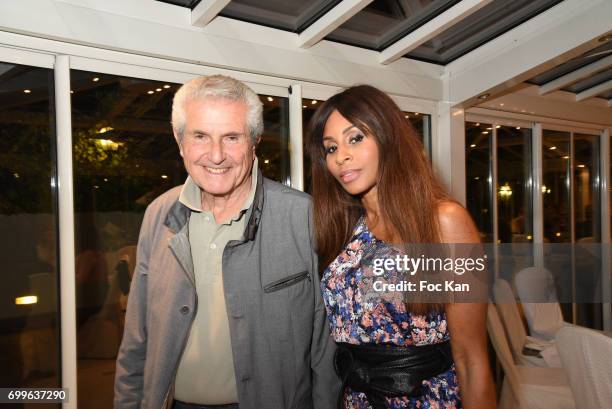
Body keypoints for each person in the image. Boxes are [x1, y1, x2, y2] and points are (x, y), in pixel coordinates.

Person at [114, 75, 340, 409]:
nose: (216, 155)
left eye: (232, 137)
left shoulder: (303, 216)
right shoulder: (159, 213)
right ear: (180, 140)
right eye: (200, 136)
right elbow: (137, 336)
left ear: (254, 141)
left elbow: (325, 346)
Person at [307, 85, 496, 408]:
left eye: (355, 138)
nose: (341, 156)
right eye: (330, 148)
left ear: (388, 138)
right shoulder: (344, 229)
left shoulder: (446, 222)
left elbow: (472, 358)